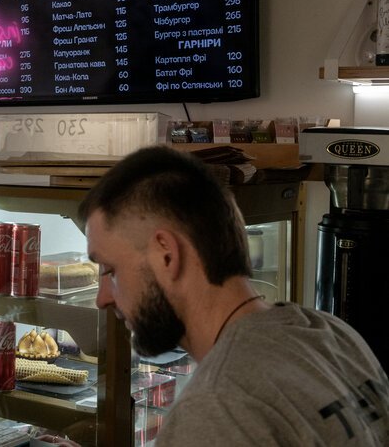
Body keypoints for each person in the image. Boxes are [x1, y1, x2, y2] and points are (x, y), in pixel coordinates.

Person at [57, 145, 388, 446]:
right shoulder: (331, 335)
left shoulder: (215, 408)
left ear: (166, 255)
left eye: (110, 270)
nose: (102, 298)